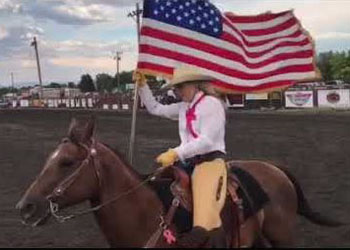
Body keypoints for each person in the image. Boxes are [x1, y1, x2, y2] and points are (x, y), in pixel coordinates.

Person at [134, 66, 228, 247]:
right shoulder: (184, 106)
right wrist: (142, 86)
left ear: (194, 85)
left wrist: (176, 152)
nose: (177, 91)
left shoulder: (212, 104)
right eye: (176, 87)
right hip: (186, 162)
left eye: (181, 86)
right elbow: (155, 108)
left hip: (208, 164)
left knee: (203, 225)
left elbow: (207, 141)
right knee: (155, 184)